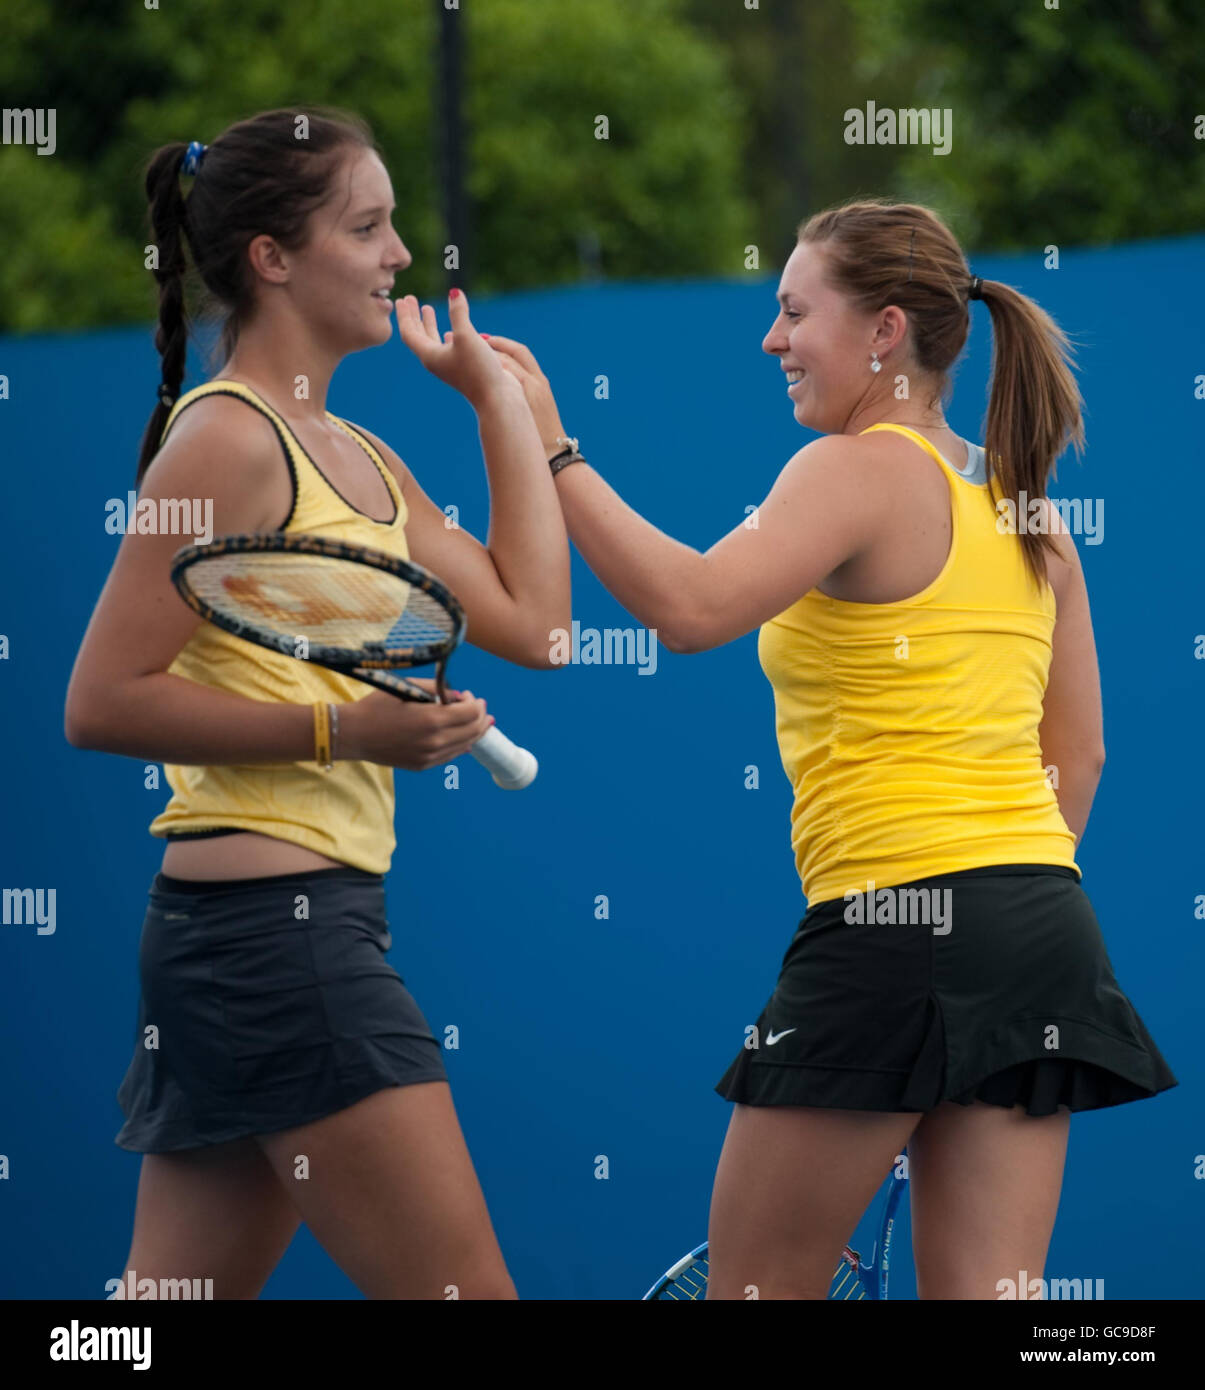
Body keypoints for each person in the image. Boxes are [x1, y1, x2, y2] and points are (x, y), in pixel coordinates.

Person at [484, 199, 1178, 1300]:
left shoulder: (852, 470)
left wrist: (550, 443)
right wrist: (980, 953)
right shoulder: (1027, 514)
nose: (771, 339)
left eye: (792, 310)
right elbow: (1076, 760)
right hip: (1042, 932)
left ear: (883, 332)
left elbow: (688, 605)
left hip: (891, 927)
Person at [64, 108, 569, 1300]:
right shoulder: (227, 442)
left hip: (259, 941)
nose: (402, 255)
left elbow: (536, 622)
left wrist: (498, 403)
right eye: (369, 225)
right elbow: (100, 700)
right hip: (274, 942)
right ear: (271, 258)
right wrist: (349, 729)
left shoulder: (365, 459)